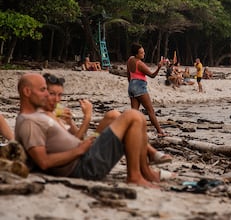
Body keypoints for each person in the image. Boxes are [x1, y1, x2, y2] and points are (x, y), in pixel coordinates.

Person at [15, 73, 168, 188]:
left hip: (85, 157)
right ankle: (135, 176)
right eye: (43, 90)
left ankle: (145, 172)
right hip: (83, 166)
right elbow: (43, 162)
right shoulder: (30, 122)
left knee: (136, 118)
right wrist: (79, 150)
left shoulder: (36, 117)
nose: (48, 95)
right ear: (27, 92)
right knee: (132, 116)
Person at [41, 73, 172, 164]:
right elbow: (76, 145)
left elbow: (77, 137)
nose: (57, 100)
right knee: (129, 117)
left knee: (114, 114)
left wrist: (70, 122)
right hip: (82, 153)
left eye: (59, 95)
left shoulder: (54, 111)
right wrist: (87, 117)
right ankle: (148, 156)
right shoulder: (45, 118)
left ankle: (150, 153)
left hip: (83, 144)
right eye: (52, 94)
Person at [127, 43, 167, 137]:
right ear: (136, 54)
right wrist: (159, 67)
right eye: (141, 53)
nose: (143, 54)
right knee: (150, 110)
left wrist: (131, 86)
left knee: (134, 112)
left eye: (143, 52)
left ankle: (132, 131)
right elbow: (152, 75)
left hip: (131, 86)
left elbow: (128, 75)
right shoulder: (140, 64)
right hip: (139, 86)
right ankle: (160, 131)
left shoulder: (130, 60)